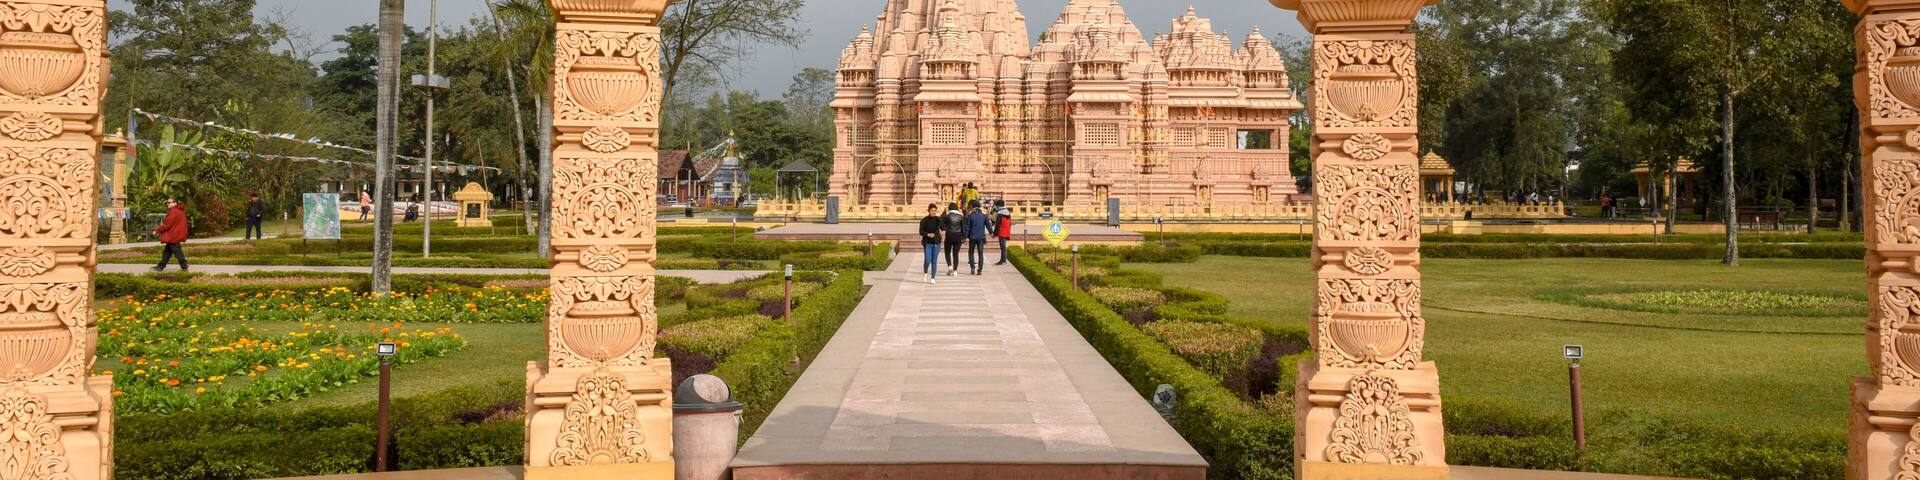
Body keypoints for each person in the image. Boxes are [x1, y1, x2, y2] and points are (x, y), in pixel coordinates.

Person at [152, 197, 189, 272]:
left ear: (175, 203)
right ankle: (160, 266)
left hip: (173, 235)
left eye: (169, 202)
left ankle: (184, 267)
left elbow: (167, 225)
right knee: (167, 252)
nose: (167, 204)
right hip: (174, 235)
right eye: (167, 202)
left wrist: (157, 230)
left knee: (178, 252)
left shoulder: (174, 212)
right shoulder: (180, 211)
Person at [918, 203, 943, 284]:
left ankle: (933, 277)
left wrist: (942, 230)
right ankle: (925, 272)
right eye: (932, 211)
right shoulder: (924, 220)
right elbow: (921, 231)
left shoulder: (939, 220)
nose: (933, 212)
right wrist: (928, 234)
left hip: (936, 243)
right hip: (927, 243)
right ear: (928, 211)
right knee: (927, 260)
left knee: (934, 261)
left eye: (935, 211)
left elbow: (943, 228)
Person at [965, 200, 989, 275]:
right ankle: (980, 270)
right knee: (980, 254)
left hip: (972, 237)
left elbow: (967, 227)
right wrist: (991, 233)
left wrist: (965, 237)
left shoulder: (970, 215)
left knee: (971, 252)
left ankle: (972, 267)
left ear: (972, 206)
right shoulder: (984, 215)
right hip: (981, 237)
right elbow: (988, 225)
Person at [942, 202, 965, 276]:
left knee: (947, 252)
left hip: (949, 235)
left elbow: (940, 222)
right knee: (956, 254)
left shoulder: (946, 216)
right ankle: (955, 271)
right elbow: (963, 228)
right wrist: (964, 237)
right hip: (958, 236)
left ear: (949, 208)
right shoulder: (960, 216)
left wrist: (943, 213)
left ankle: (950, 266)